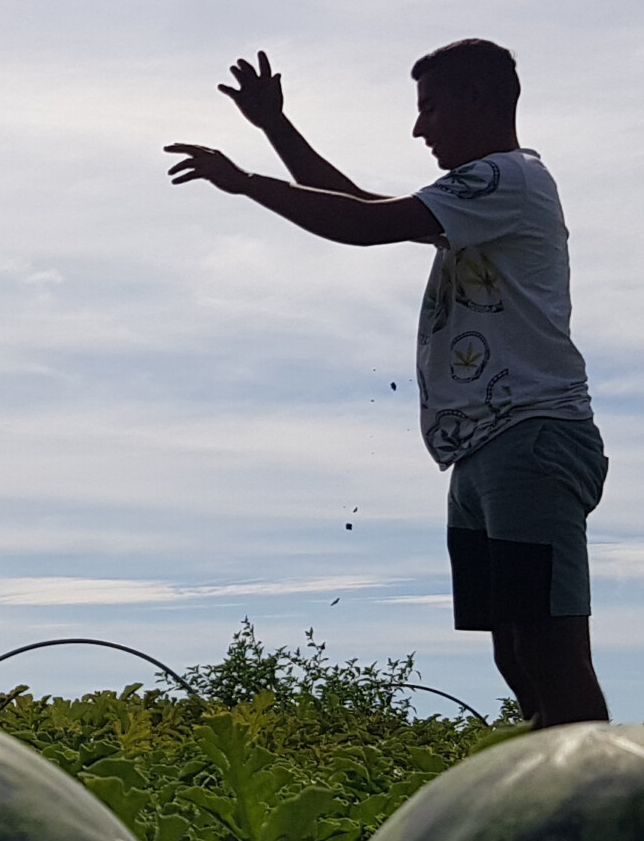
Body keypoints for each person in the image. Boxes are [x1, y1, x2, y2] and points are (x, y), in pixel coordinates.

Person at [164, 40, 609, 728]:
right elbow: (358, 202)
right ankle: (556, 801)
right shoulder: (479, 194)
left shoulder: (508, 179)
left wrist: (249, 181)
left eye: (430, 107)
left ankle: (611, 818)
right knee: (516, 653)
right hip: (488, 447)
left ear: (480, 100)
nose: (419, 127)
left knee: (549, 649)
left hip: (533, 437)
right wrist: (276, 128)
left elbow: (367, 224)